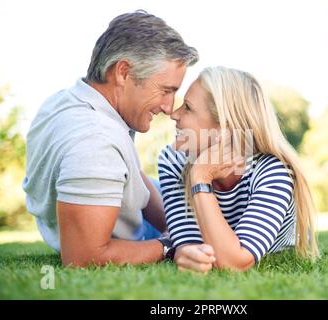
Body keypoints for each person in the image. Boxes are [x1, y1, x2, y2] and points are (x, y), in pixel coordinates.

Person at [22, 10, 198, 267]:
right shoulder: (95, 141)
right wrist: (171, 245)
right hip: (124, 235)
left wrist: (178, 228)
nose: (170, 107)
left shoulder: (65, 102)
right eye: (165, 90)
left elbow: (134, 177)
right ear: (123, 72)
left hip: (125, 208)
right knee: (218, 200)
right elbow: (84, 256)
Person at [158, 66, 320, 272]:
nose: (174, 114)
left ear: (224, 128)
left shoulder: (274, 171)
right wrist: (187, 252)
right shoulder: (173, 160)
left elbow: (232, 263)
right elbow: (195, 250)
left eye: (188, 108)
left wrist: (200, 177)